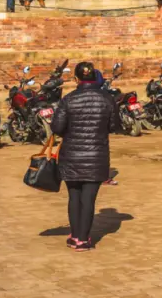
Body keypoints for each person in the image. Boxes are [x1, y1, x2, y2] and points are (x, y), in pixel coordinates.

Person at [49, 61, 117, 250]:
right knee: (89, 198)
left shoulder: (69, 99)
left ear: (76, 78)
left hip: (72, 154)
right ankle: (83, 239)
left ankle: (74, 235)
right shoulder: (107, 99)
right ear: (94, 77)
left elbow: (57, 128)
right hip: (97, 155)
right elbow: (114, 126)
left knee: (74, 196)